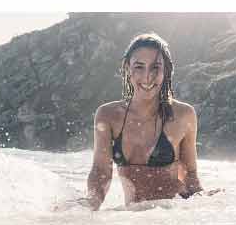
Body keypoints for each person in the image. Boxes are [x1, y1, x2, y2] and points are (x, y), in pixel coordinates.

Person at [85, 33, 204, 210]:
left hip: (173, 218)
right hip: (133, 222)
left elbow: (190, 176)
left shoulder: (183, 115)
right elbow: (101, 172)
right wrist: (89, 204)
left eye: (155, 67)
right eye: (139, 67)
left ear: (166, 70)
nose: (147, 76)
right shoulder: (108, 115)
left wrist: (206, 203)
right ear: (127, 68)